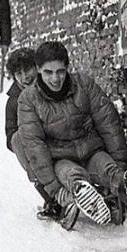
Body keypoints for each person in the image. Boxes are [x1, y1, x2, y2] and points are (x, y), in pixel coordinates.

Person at [17, 41, 127, 229]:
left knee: (108, 169)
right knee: (74, 176)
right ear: (38, 69)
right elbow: (34, 145)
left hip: (91, 150)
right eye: (48, 72)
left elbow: (108, 121)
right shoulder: (29, 99)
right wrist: (54, 190)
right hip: (61, 158)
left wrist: (120, 162)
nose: (55, 79)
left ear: (67, 68)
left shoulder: (83, 84)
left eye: (60, 71)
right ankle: (83, 194)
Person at [4, 47, 76, 228]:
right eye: (18, 73)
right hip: (37, 148)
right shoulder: (14, 101)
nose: (24, 76)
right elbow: (10, 136)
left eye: (27, 70)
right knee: (17, 139)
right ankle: (54, 198)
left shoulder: (51, 85)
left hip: (62, 138)